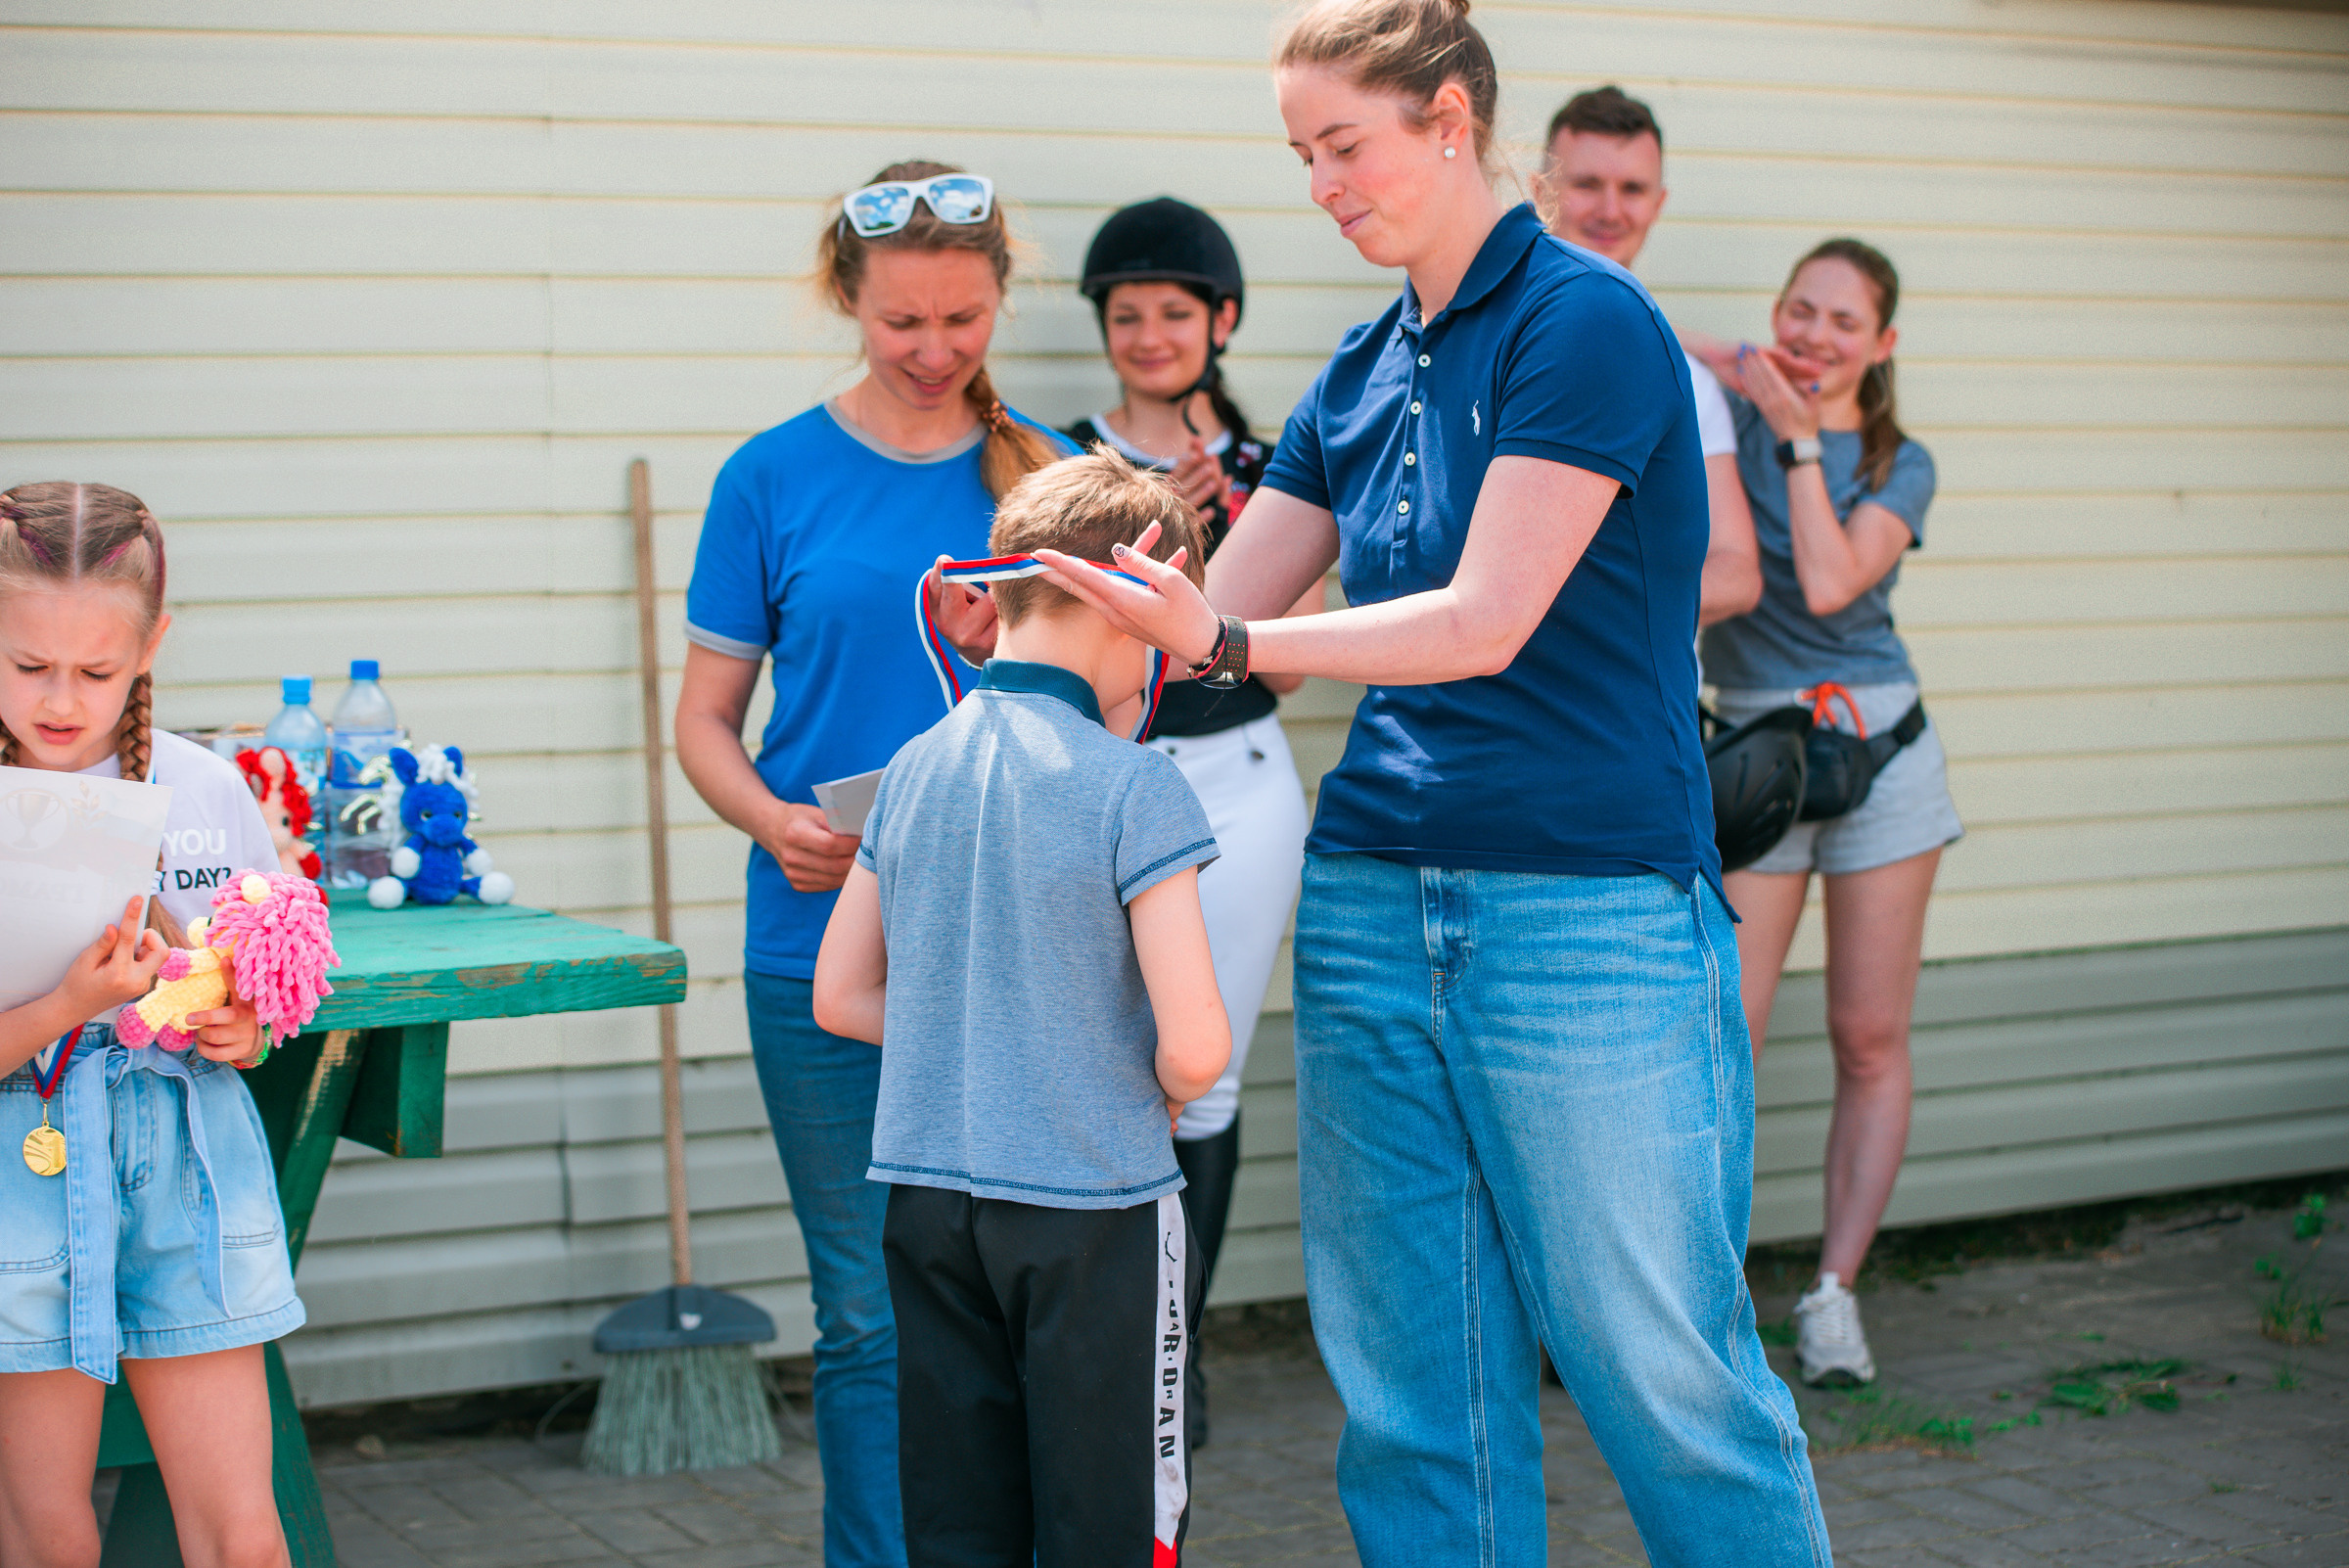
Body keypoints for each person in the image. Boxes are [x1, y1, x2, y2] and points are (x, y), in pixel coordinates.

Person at [1034, 3, 1830, 1564]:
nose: (1323, 183)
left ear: (1453, 118)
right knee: (1416, 1393)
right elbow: (1214, 648)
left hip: (1585, 917)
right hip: (1373, 905)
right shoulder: (1361, 363)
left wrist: (1233, 624)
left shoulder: (1584, 323)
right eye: (1302, 154)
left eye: (1348, 144)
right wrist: (1059, 617)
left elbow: (1481, 619)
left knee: (1663, 1373)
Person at [674, 161, 1071, 1568]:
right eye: (903, 320)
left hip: (1033, 956)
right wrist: (774, 820)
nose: (934, 352)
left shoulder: (1054, 472)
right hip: (822, 953)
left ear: (999, 300)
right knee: (871, 1312)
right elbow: (708, 723)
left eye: (963, 320)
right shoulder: (769, 477)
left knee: (1034, 1305)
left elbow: (1140, 704)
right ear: (848, 297)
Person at [812, 451, 1230, 1568]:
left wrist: (990, 1032)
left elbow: (842, 996)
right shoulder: (1135, 784)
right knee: (1109, 1525)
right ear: (1134, 607)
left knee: (960, 1524)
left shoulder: (909, 768)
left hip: (928, 1205)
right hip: (1094, 1210)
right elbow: (1196, 1052)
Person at [0, 483, 299, 1568]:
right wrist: (68, 1005)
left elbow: (266, 984)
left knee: (239, 1531)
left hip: (187, 1168)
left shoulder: (208, 787)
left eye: (98, 670)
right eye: (29, 666)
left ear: (153, 644)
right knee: (45, 1532)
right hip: (15, 1180)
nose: (63, 701)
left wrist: (246, 1030)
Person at [1061, 198, 1313, 1445]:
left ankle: (1179, 1339)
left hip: (1237, 784)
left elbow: (1289, 667)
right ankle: (1091, 1332)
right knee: (1098, 1054)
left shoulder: (1271, 464)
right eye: (1127, 315)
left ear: (1220, 322)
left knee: (1199, 1072)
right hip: (1096, 782)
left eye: (1175, 312)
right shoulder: (1055, 460)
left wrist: (1210, 545)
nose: (1151, 335)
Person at [1693, 239, 1960, 1388]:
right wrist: (1736, 374)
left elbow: (1833, 578)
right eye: (1798, 312)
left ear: (1882, 344)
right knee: (1722, 1038)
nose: (1813, 335)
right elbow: (1644, 330)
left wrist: (1800, 436)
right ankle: (1702, 1295)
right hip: (1755, 757)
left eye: (1842, 322)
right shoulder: (1727, 410)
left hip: (1879, 755)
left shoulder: (1902, 463)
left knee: (1867, 1035)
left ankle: (1835, 1293)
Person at [1542, 84, 1761, 624]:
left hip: (1644, 704)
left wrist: (1576, 614)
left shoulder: (1685, 377)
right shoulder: (1484, 347)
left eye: (1633, 188)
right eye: (1588, 184)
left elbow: (1736, 573)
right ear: (1541, 191)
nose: (1611, 210)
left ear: (1658, 203)